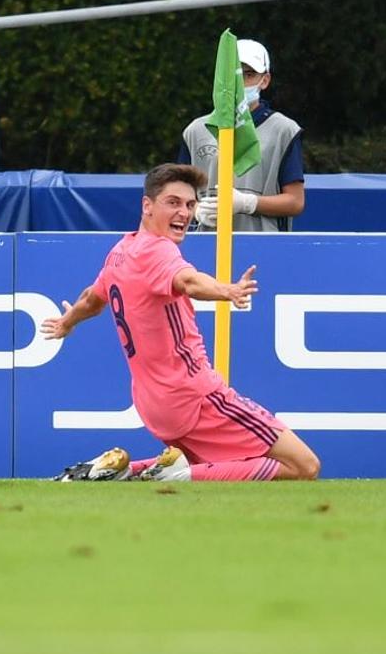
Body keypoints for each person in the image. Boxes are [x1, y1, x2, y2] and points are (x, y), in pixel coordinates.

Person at [41, 163, 320, 482]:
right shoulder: (159, 251)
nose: (184, 213)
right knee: (304, 466)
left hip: (153, 405)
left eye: (190, 204)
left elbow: (93, 297)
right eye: (173, 202)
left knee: (221, 477)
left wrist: (67, 322)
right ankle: (164, 473)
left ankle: (114, 472)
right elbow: (188, 281)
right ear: (147, 206)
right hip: (195, 396)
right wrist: (225, 290)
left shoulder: (121, 250)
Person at [180, 38, 305, 232]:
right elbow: (178, 195)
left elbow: (295, 202)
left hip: (264, 244)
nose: (239, 82)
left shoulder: (283, 130)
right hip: (207, 243)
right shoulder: (195, 131)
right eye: (233, 74)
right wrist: (197, 211)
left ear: (265, 80)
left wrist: (248, 203)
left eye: (248, 74)